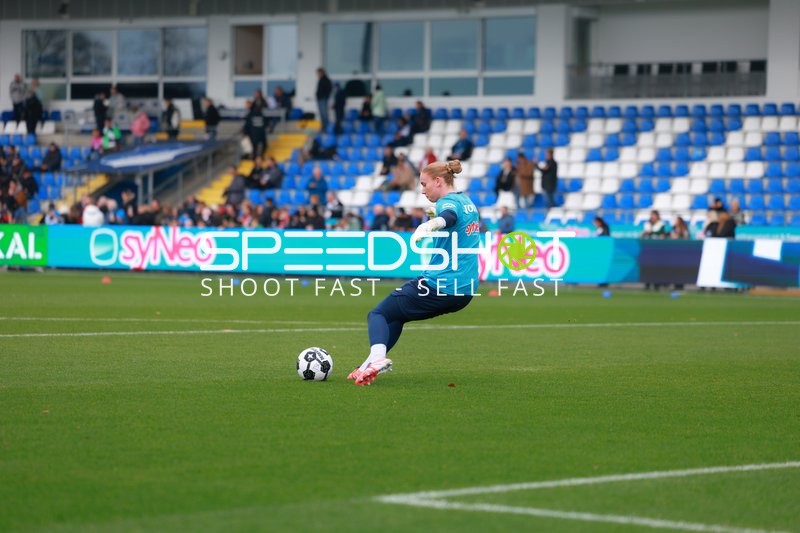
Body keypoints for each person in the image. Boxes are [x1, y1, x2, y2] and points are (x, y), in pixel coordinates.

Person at [347, 159, 479, 386]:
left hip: (442, 285)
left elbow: (449, 217)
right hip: (464, 290)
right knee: (397, 315)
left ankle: (377, 360)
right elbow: (455, 218)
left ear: (438, 181)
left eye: (425, 184)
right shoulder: (467, 201)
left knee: (378, 314)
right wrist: (435, 218)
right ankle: (367, 366)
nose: (422, 189)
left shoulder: (447, 204)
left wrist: (430, 225)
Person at [315, 67, 333, 132]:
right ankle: (323, 127)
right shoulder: (320, 80)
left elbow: (329, 89)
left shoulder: (326, 80)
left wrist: (325, 96)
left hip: (323, 99)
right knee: (322, 114)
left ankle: (327, 128)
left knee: (324, 114)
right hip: (320, 99)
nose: (318, 74)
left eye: (319, 73)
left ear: (322, 73)